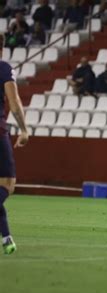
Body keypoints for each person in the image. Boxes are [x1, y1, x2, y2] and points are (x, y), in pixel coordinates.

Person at [0, 34, 29, 254]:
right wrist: (24, 129)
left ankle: (7, 238)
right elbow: (14, 101)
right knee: (7, 184)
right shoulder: (3, 68)